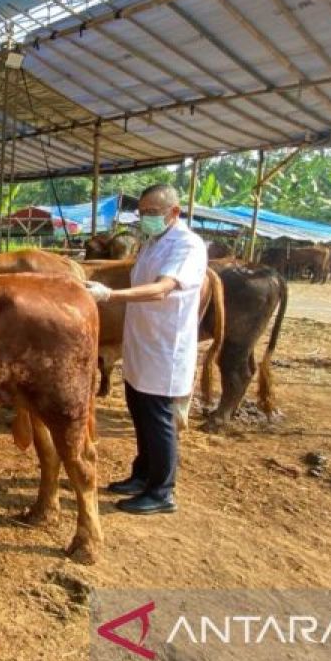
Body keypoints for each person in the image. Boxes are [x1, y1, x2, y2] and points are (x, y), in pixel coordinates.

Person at [85, 184, 207, 515]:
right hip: (141, 342)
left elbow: (162, 289)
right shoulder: (154, 242)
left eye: (153, 213)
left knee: (158, 418)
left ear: (174, 212)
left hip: (165, 347)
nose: (146, 218)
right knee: (140, 412)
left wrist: (109, 295)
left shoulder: (187, 246)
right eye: (143, 212)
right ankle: (142, 474)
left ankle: (161, 490)